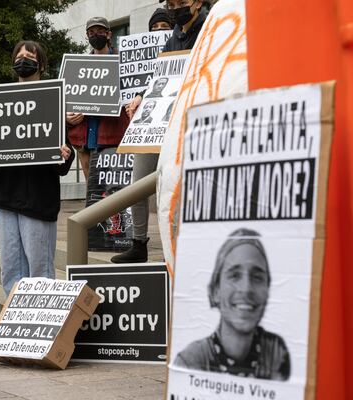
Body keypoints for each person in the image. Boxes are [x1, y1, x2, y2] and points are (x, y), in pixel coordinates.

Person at [114, 4, 204, 263]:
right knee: (139, 178)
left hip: (188, 122)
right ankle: (139, 243)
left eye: (180, 3)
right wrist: (142, 96)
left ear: (197, 2)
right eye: (171, 4)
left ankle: (184, 246)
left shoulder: (208, 29)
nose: (176, 8)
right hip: (159, 120)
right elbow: (159, 74)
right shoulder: (175, 35)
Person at [0, 40, 74, 296]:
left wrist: (65, 155)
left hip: (39, 200)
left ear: (41, 64)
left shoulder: (52, 101)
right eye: (19, 55)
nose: (24, 59)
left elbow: (63, 161)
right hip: (6, 198)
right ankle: (14, 323)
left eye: (30, 56)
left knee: (40, 273)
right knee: (10, 271)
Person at [175, 229, 291, 381]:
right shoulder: (190, 362)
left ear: (268, 290)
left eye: (257, 277)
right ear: (216, 290)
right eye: (234, 276)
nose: (246, 288)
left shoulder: (276, 352)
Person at [67, 17, 130, 179]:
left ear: (108, 34)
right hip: (85, 136)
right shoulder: (77, 66)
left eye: (100, 32)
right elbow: (68, 100)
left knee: (114, 188)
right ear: (87, 36)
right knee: (92, 191)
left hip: (113, 135)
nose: (96, 35)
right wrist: (68, 117)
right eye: (91, 33)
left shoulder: (124, 62)